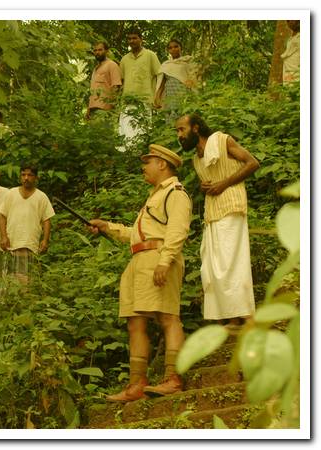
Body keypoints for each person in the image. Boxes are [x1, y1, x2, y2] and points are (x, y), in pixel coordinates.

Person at [88, 145, 192, 401]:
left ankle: (173, 378)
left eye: (149, 161)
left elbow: (177, 232)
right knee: (135, 322)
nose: (144, 167)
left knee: (168, 316)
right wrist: (108, 227)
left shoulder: (176, 193)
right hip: (139, 260)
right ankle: (136, 384)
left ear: (163, 164)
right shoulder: (153, 196)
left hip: (158, 258)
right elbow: (137, 235)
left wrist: (165, 262)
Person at [175, 113, 260, 328]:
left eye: (181, 129)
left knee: (233, 261)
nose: (179, 135)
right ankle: (233, 317)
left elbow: (252, 163)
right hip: (212, 212)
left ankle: (248, 317)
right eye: (177, 131)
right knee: (215, 265)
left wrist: (224, 183)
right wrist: (206, 186)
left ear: (195, 128)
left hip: (231, 205)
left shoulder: (223, 141)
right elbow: (210, 183)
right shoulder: (197, 157)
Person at [0, 164, 55, 282]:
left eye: (30, 175)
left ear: (36, 178)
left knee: (29, 279)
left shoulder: (41, 196)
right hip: (12, 243)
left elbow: (46, 220)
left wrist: (45, 240)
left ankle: (28, 300)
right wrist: (3, 237)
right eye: (23, 175)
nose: (26, 178)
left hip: (31, 243)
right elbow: (2, 216)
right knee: (11, 280)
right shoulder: (11, 193)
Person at [118, 29, 161, 151]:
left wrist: (157, 96)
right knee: (126, 131)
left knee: (143, 130)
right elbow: (121, 81)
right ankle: (126, 158)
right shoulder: (125, 59)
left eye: (134, 38)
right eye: (130, 39)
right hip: (127, 100)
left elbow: (160, 75)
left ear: (141, 39)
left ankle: (140, 155)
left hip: (145, 99)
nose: (132, 41)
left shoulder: (150, 55)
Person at [154, 39, 199, 120]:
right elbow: (162, 84)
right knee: (172, 116)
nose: (173, 49)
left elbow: (194, 78)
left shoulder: (188, 62)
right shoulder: (166, 65)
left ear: (181, 48)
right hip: (170, 94)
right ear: (168, 50)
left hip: (184, 93)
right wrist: (157, 97)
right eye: (170, 48)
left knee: (185, 116)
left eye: (176, 46)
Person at [86, 41, 122, 120]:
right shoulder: (95, 69)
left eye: (100, 50)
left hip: (105, 110)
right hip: (93, 110)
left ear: (107, 51)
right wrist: (89, 108)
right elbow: (93, 91)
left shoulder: (112, 65)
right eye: (95, 50)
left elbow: (116, 87)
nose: (97, 52)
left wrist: (111, 109)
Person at [281, 20, 300, 85]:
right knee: (288, 88)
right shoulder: (291, 39)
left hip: (296, 71)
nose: (288, 22)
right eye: (288, 20)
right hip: (288, 70)